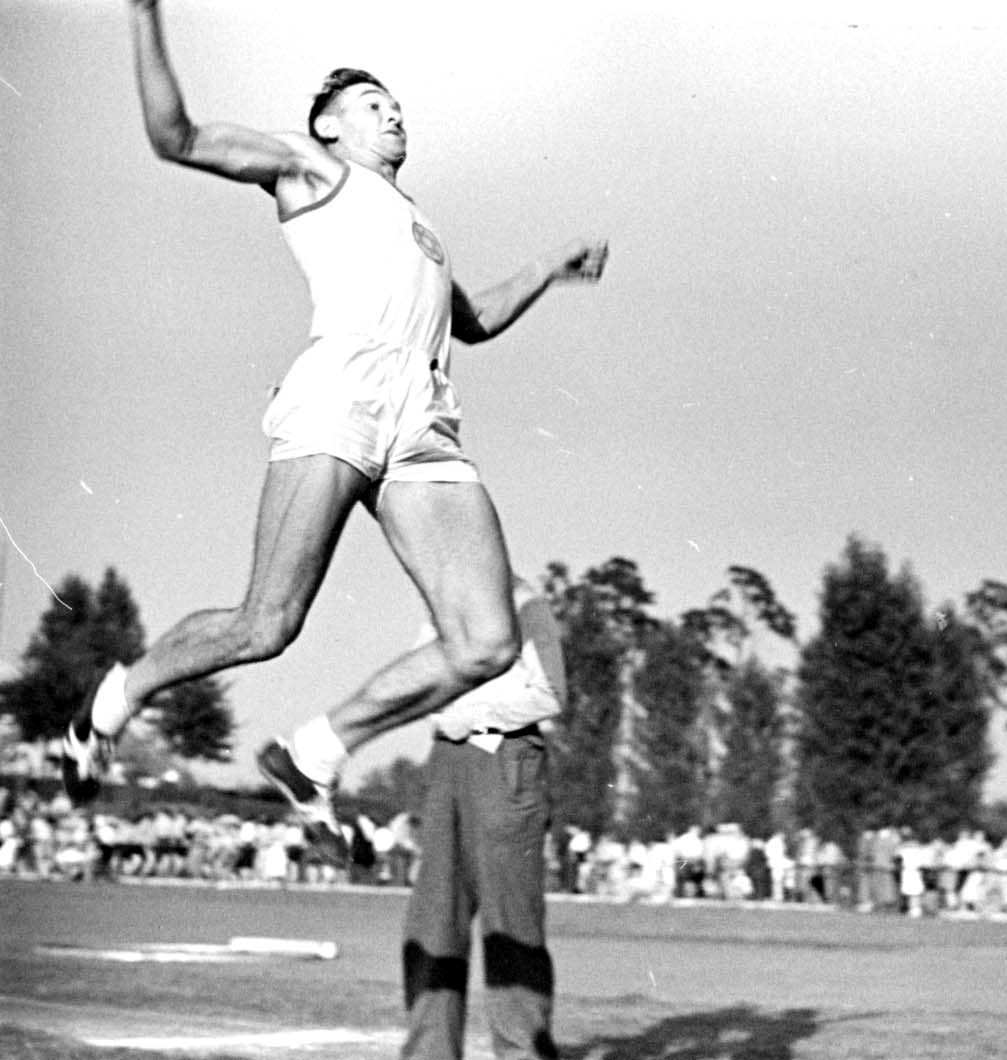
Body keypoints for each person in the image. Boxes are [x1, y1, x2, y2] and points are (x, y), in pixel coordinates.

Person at [62, 0, 607, 866]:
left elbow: (472, 323)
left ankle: (312, 753)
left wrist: (548, 266)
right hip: (342, 393)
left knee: (487, 642)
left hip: (424, 415)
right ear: (328, 125)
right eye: (371, 102)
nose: (393, 112)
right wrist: (143, 14)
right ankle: (115, 700)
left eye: (398, 103)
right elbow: (175, 134)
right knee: (267, 623)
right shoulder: (310, 170)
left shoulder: (423, 228)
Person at [403, 575, 566, 1060]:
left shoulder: (526, 602)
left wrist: (471, 713)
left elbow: (551, 692)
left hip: (505, 758)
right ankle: (429, 1052)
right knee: (433, 919)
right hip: (446, 761)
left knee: (509, 919)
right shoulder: (440, 607)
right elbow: (418, 682)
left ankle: (522, 1051)